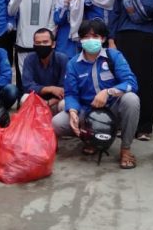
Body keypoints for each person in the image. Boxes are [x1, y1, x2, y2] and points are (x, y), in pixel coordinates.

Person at [52, 19, 140, 169]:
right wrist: (73, 111)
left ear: (103, 38)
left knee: (131, 99)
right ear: (80, 40)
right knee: (57, 123)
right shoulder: (73, 64)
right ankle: (90, 140)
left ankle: (125, 149)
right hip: (87, 110)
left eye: (95, 36)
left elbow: (131, 82)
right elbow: (71, 93)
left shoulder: (114, 56)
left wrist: (109, 92)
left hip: (113, 108)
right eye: (86, 37)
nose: (90, 40)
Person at [110, 0, 153, 141]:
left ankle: (144, 127)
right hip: (124, 40)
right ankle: (120, 124)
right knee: (123, 80)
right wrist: (111, 40)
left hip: (147, 41)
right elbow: (114, 15)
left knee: (146, 83)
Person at [8, 0, 57, 88]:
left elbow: (54, 16)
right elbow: (11, 11)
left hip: (44, 44)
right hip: (23, 43)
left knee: (44, 78)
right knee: (25, 80)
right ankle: (25, 99)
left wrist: (48, 37)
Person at [21, 28, 69, 113]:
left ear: (53, 44)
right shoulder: (29, 59)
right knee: (24, 98)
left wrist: (49, 102)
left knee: (65, 103)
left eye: (45, 42)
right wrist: (50, 89)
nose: (41, 45)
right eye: (38, 43)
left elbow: (64, 89)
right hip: (37, 100)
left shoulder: (62, 59)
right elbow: (27, 86)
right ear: (34, 45)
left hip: (55, 101)